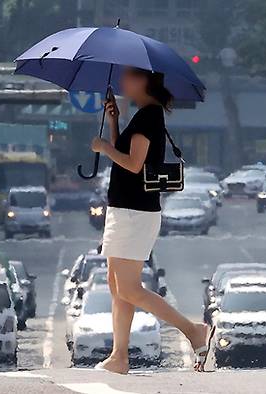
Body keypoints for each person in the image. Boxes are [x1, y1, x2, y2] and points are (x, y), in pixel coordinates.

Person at [90, 67, 212, 374]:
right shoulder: (143, 114)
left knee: (128, 288)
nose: (122, 82)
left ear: (144, 81)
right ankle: (119, 357)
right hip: (124, 209)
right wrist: (114, 123)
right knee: (116, 286)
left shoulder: (149, 115)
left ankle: (192, 330)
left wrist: (104, 147)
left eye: (128, 76)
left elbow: (132, 164)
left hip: (135, 212)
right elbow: (128, 155)